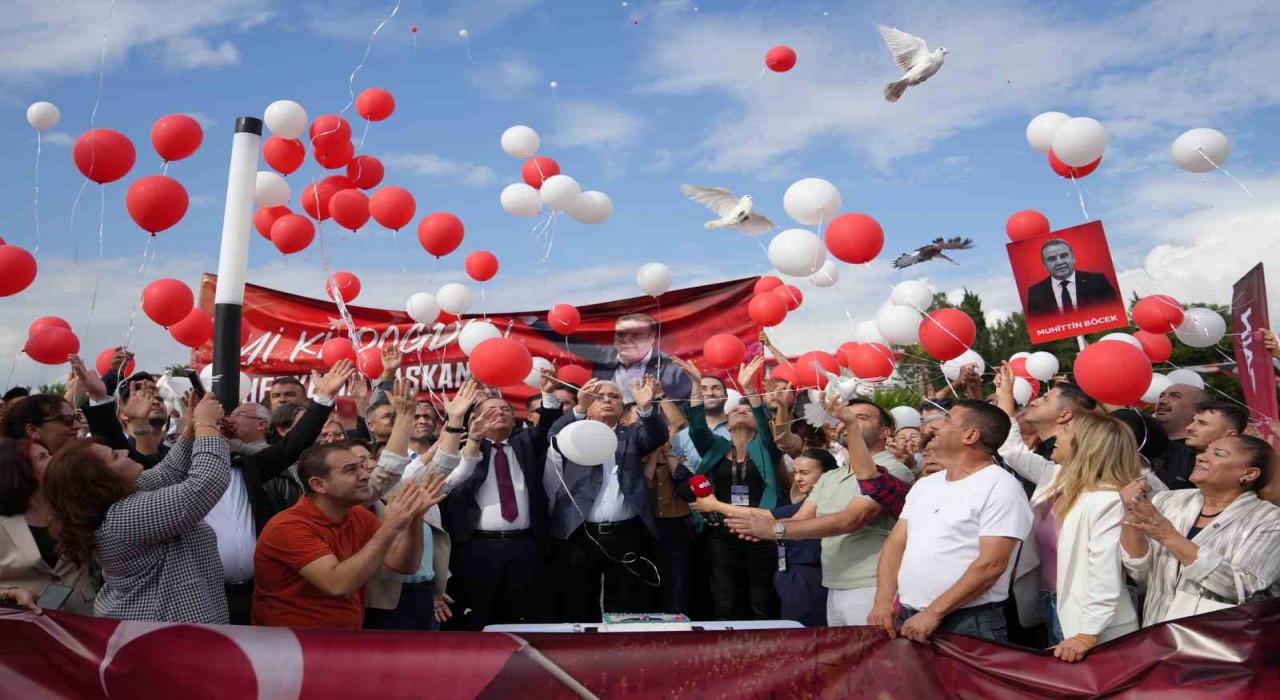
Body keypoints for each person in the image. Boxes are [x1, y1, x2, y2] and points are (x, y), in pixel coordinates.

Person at [43, 392, 232, 623]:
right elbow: (206, 483)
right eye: (115, 456)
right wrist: (207, 424)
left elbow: (169, 472)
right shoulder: (121, 516)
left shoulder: (119, 497)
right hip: (166, 640)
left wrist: (191, 431)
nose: (124, 451)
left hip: (172, 633)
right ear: (100, 481)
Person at [994, 366, 1141, 662]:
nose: (1056, 437)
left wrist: (1088, 632)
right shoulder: (1055, 477)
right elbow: (1010, 451)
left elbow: (1104, 573)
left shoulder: (1108, 499)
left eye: (1065, 432)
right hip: (1051, 604)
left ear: (1084, 445)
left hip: (1092, 620)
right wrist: (1004, 397)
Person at [725, 396, 903, 628]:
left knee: (874, 662)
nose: (845, 421)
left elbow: (852, 519)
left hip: (871, 584)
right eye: (843, 418)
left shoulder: (893, 468)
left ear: (884, 433)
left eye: (860, 417)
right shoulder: (831, 476)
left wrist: (774, 529)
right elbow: (800, 521)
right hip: (833, 584)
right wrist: (762, 530)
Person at [868, 400, 1033, 643]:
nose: (934, 427)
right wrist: (883, 602)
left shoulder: (1002, 487)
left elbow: (991, 564)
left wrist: (934, 612)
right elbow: (895, 546)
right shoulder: (925, 485)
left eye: (947, 420)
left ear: (970, 435)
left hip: (968, 622)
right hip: (910, 617)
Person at [252, 442, 444, 629]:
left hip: (344, 643)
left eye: (362, 467)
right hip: (291, 646)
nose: (365, 475)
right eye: (351, 470)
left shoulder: (358, 516)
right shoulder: (289, 526)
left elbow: (405, 565)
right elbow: (338, 585)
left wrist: (416, 518)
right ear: (318, 484)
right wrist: (390, 527)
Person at [426, 376, 559, 630]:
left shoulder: (526, 442)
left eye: (505, 410)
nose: (500, 413)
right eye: (491, 410)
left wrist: (549, 394)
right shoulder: (464, 448)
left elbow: (547, 425)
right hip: (476, 548)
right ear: (475, 419)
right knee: (477, 618)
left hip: (525, 546)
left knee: (524, 617)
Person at [1120, 435, 1280, 626]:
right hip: (1156, 632)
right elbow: (1140, 571)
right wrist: (1130, 511)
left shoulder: (1270, 520)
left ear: (1249, 473)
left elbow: (1244, 588)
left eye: (1219, 454)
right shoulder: (1168, 500)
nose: (1202, 457)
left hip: (1217, 641)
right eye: (1205, 451)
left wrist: (1168, 535)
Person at [545, 376, 668, 621]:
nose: (607, 400)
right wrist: (578, 408)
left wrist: (645, 408)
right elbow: (552, 436)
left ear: (622, 405)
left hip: (626, 533)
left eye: (614, 396)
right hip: (578, 533)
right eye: (599, 396)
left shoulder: (631, 435)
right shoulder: (572, 432)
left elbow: (657, 435)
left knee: (625, 602)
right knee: (577, 601)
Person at [675, 357, 783, 621]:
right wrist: (696, 384)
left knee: (761, 599)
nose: (739, 412)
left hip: (760, 532)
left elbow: (765, 423)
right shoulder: (716, 448)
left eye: (746, 412)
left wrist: (748, 388)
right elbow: (698, 426)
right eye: (735, 411)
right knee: (724, 599)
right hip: (721, 534)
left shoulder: (765, 447)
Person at [695, 448, 839, 627]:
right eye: (795, 473)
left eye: (805, 473)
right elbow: (782, 527)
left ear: (828, 475)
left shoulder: (827, 503)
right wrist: (763, 532)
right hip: (791, 575)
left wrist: (715, 505)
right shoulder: (805, 503)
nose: (798, 479)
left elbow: (767, 516)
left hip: (809, 577)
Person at [0, 439, 98, 615]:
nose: (55, 460)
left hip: (87, 616)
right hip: (27, 622)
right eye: (43, 457)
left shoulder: (76, 506)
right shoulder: (3, 524)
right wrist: (9, 593)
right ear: (20, 472)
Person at [569, 314, 693, 404]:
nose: (626, 339)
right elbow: (570, 341)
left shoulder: (672, 368)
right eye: (621, 334)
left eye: (636, 335)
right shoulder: (604, 356)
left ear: (652, 337)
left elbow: (686, 405)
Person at [1025, 238, 1120, 318]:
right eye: (1052, 259)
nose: (1059, 262)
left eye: (1064, 256)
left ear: (1073, 257)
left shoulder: (1097, 281)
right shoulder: (1035, 293)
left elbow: (1114, 312)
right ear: (1045, 265)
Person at [670, 373, 732, 472]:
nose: (710, 393)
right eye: (703, 389)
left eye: (716, 388)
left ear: (726, 396)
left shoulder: (740, 428)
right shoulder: (681, 437)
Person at [1153, 384, 1208, 489]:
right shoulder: (1141, 444)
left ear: (1198, 409)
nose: (1162, 401)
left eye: (1175, 396)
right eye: (1161, 396)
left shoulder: (1203, 455)